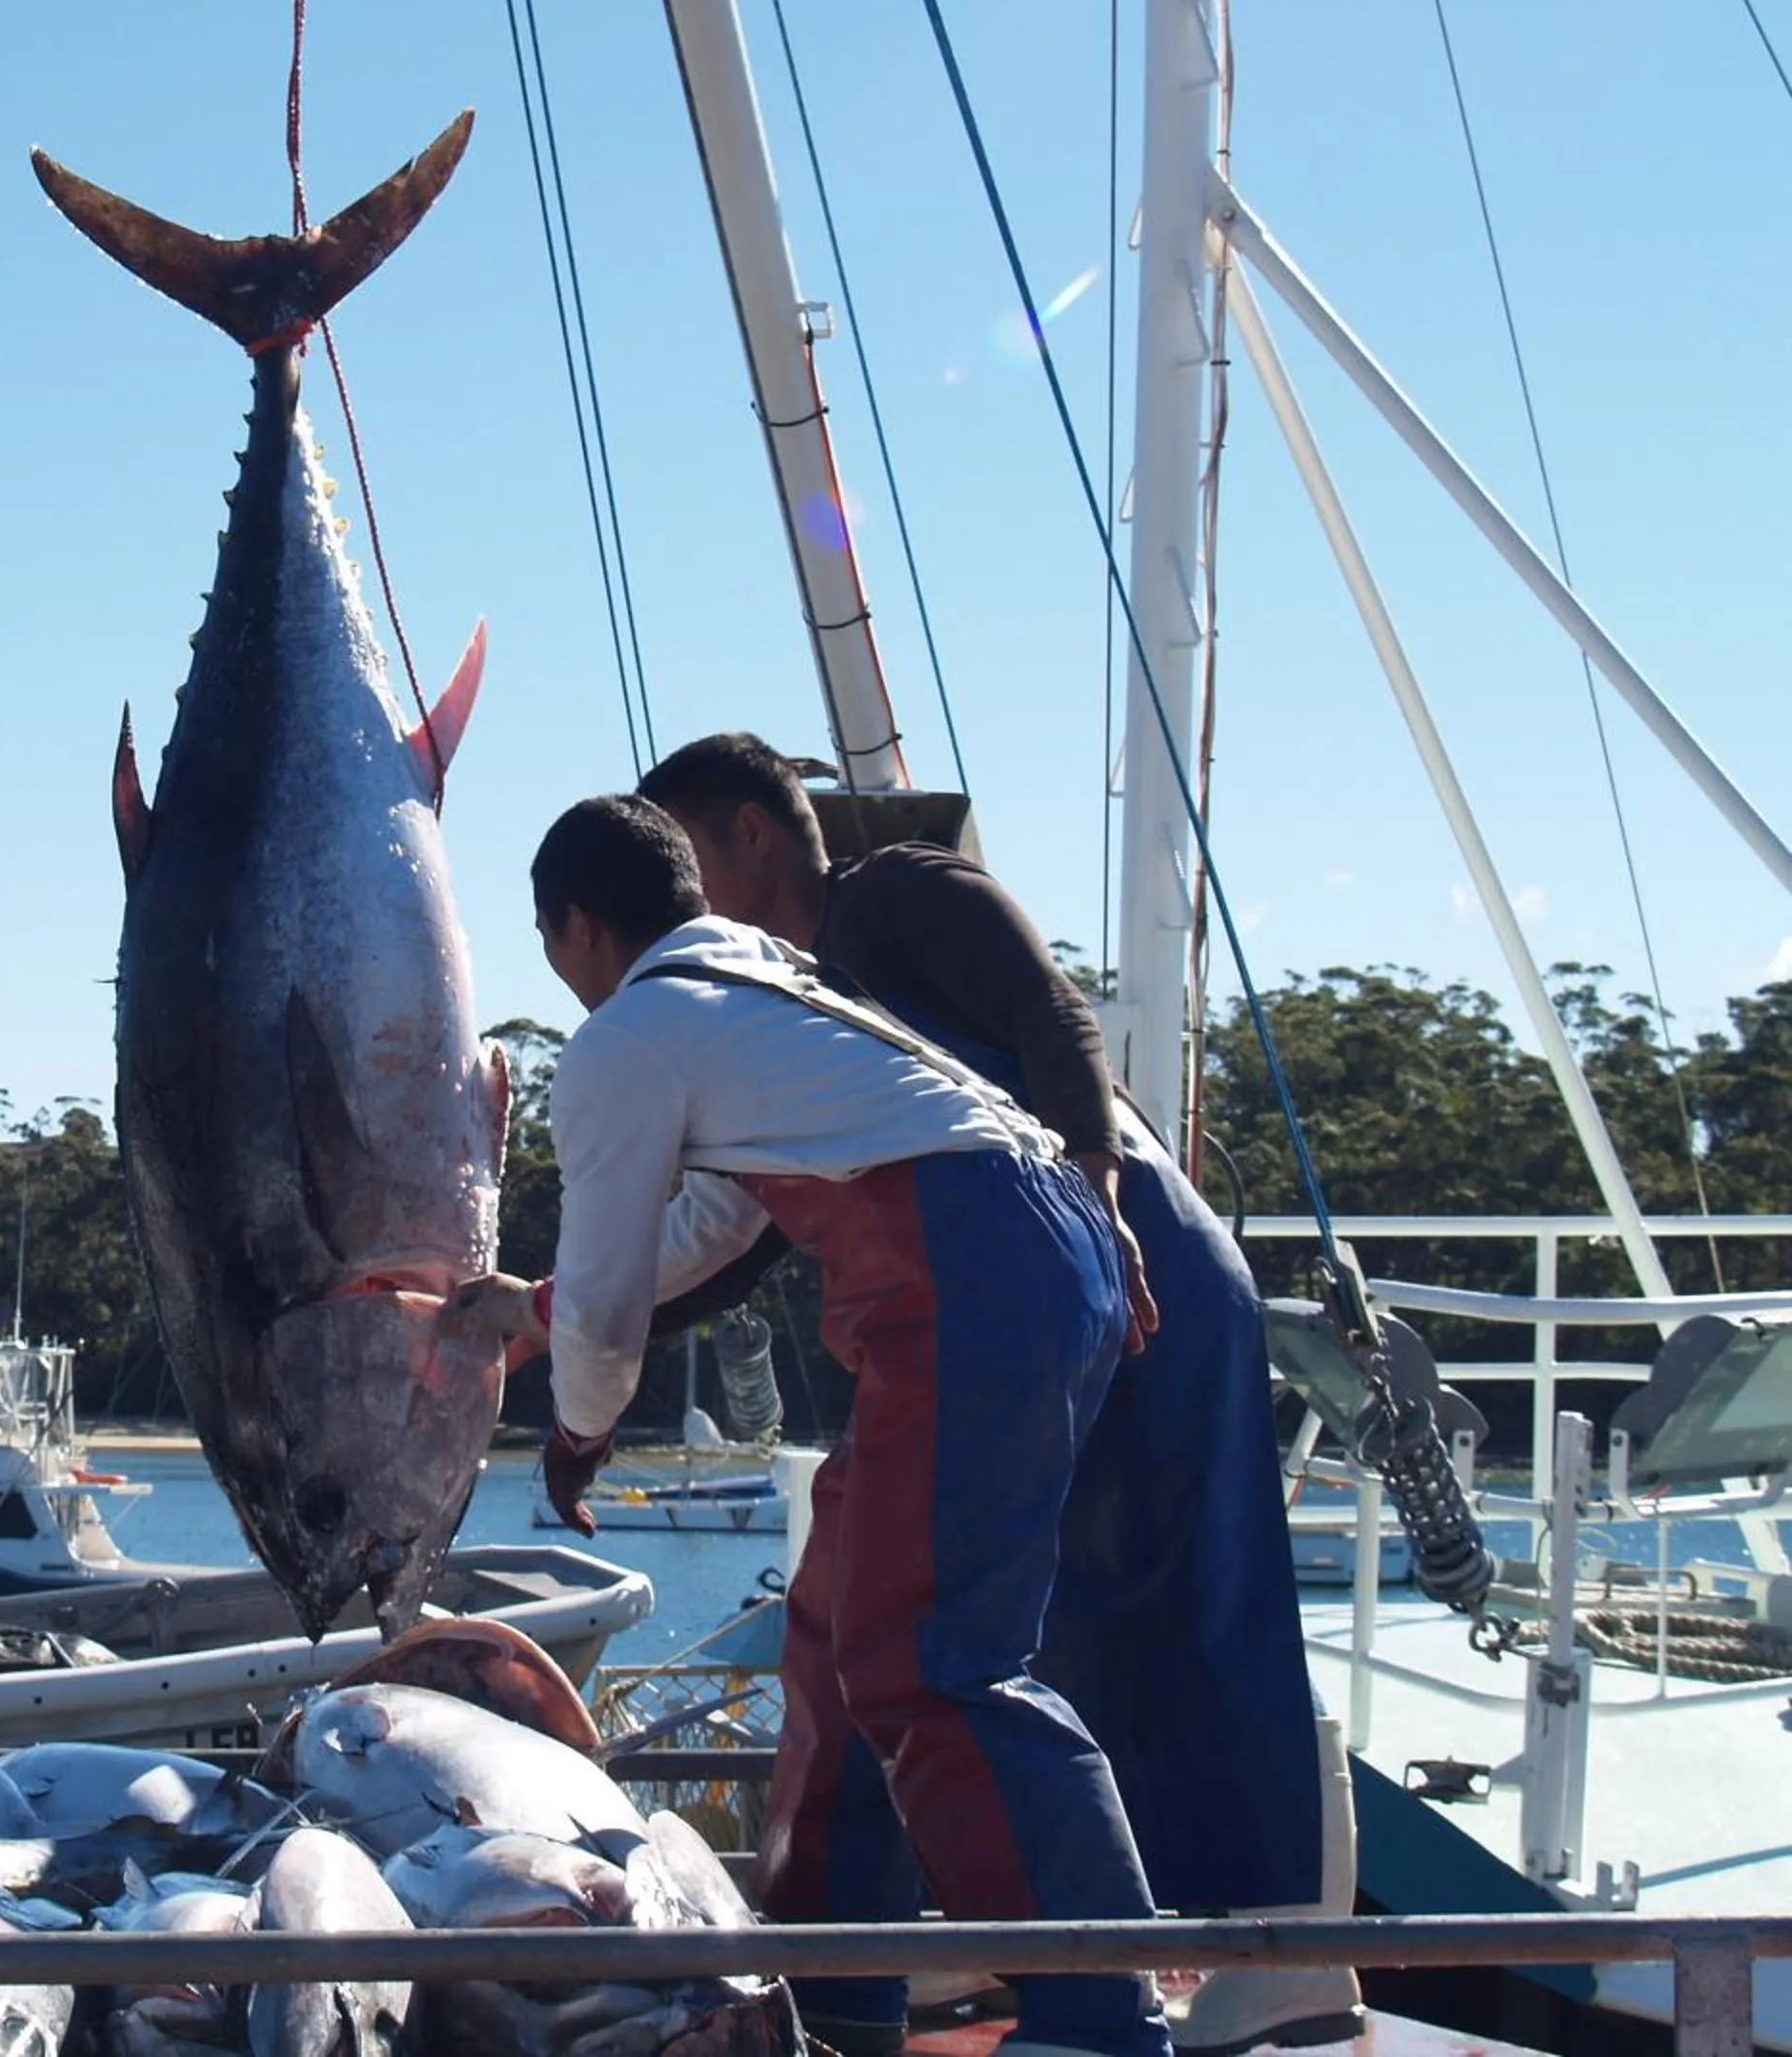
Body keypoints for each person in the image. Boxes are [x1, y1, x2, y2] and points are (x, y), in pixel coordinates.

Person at [635, 733, 1355, 2057]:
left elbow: (1055, 1018)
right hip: (1008, 1314)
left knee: (1199, 1606)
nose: (675, 908)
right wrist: (583, 1327)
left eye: (683, 862)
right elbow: (730, 1240)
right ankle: (890, 1947)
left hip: (1130, 1274)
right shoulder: (788, 1011)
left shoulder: (899, 894)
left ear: (750, 834)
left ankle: (1283, 1955)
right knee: (897, 1615)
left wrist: (1097, 1196)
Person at [442, 794, 1172, 2057]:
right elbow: (714, 1228)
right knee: (839, 1634)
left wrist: (571, 1433)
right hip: (1033, 1240)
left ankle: (1101, 2008)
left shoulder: (629, 1037)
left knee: (934, 1659)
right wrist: (544, 1308)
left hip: (973, 1266)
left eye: (551, 941)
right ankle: (834, 1987)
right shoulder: (764, 983)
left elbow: (611, 1317)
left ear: (575, 926)